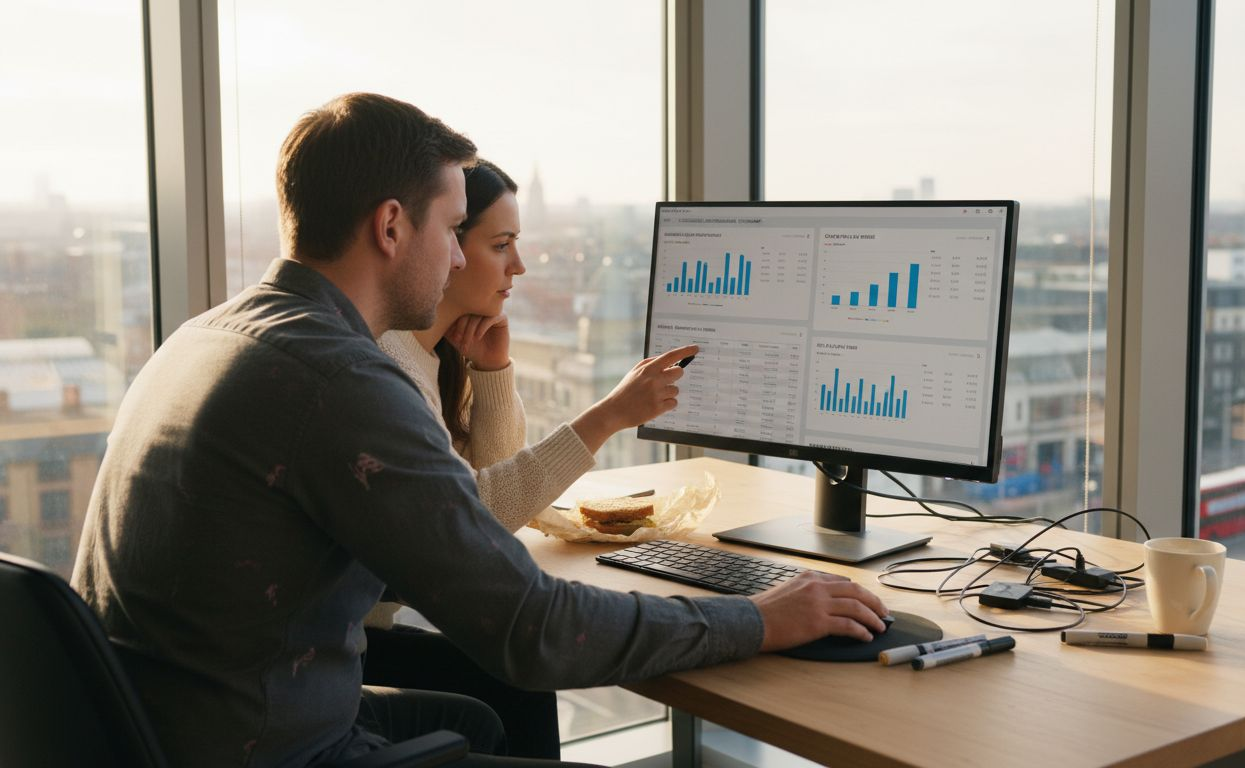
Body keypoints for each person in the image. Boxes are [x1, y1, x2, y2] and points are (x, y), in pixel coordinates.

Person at [71, 92, 888, 768]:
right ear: (391, 227)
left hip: (152, 729)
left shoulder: (212, 333)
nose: (461, 261)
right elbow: (531, 630)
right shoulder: (340, 380)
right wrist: (763, 618)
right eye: (450, 230)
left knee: (484, 725)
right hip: (263, 750)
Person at [365, 160, 658, 758]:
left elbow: (495, 510)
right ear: (441, 246)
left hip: (362, 642)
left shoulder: (431, 355)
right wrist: (608, 416)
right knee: (519, 671)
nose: (518, 266)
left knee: (514, 679)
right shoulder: (388, 360)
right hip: (352, 653)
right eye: (499, 245)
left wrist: (491, 371)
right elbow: (482, 519)